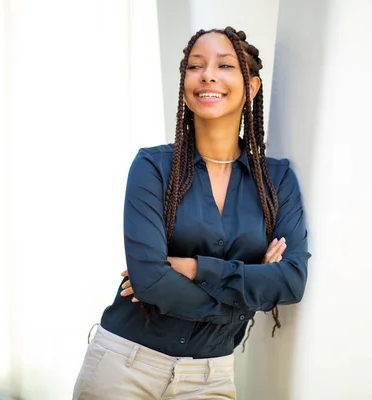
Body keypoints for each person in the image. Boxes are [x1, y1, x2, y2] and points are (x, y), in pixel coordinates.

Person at [73, 26, 310, 400]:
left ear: (251, 87)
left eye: (225, 65)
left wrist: (196, 268)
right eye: (195, 66)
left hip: (211, 375)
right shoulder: (152, 168)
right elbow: (149, 280)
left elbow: (291, 281)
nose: (208, 75)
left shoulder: (276, 180)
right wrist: (246, 296)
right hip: (126, 365)